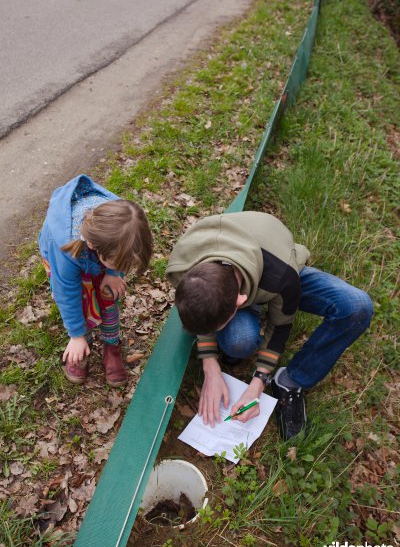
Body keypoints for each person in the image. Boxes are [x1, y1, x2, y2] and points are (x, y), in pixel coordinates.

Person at [166, 211, 373, 440]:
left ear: (240, 301)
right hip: (239, 271)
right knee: (239, 341)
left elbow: (281, 326)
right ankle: (231, 348)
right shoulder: (183, 267)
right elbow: (198, 313)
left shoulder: (281, 276)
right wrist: (210, 365)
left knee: (356, 306)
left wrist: (257, 384)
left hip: (273, 264)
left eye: (220, 324)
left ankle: (291, 381)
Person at [39, 175, 152, 387]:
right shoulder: (65, 249)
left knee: (108, 294)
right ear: (93, 245)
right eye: (119, 264)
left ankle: (111, 345)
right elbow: (67, 294)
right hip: (65, 255)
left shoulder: (124, 222)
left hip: (100, 253)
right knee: (81, 299)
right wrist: (76, 335)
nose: (123, 268)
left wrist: (113, 274)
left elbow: (121, 254)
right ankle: (83, 343)